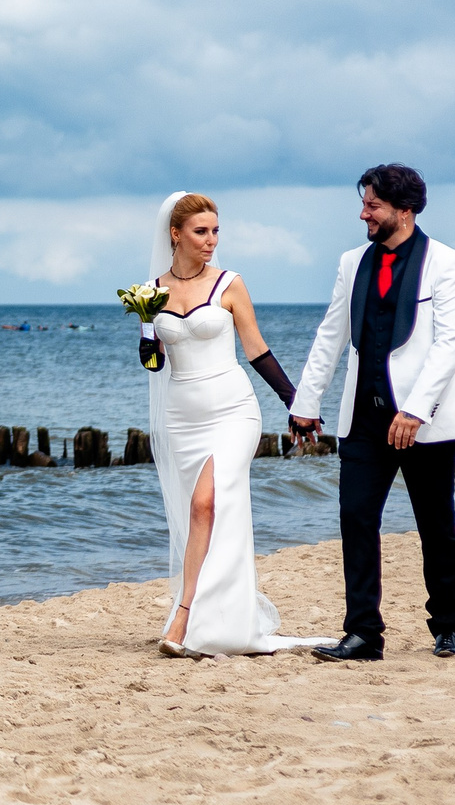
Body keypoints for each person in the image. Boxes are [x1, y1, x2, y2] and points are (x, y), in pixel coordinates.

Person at [288, 164, 455, 662]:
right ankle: (364, 634)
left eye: (372, 205)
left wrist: (416, 410)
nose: (363, 213)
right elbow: (331, 334)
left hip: (425, 423)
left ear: (404, 211)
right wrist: (306, 404)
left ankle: (447, 626)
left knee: (435, 525)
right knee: (355, 517)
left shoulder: (448, 263)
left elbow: (450, 342)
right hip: (365, 418)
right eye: (364, 203)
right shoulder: (352, 262)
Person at [135, 191, 323, 658]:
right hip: (182, 416)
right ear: (176, 234)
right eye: (201, 231)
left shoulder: (230, 284)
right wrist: (147, 337)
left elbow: (256, 349)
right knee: (196, 513)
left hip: (233, 409)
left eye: (216, 230)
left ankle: (182, 616)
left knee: (206, 502)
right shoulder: (149, 291)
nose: (211, 240)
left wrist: (295, 402)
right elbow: (155, 365)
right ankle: (208, 617)